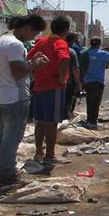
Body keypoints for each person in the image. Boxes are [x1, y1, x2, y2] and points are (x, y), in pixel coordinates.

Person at [0, 15, 48, 189]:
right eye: (34, 32)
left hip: (3, 96)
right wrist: (35, 65)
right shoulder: (15, 44)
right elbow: (17, 72)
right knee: (11, 138)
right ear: (27, 27)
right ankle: (8, 175)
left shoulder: (2, 41)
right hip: (15, 97)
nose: (33, 37)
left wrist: (28, 62)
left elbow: (13, 68)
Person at [29, 16, 71, 164]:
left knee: (40, 121)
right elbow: (64, 59)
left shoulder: (41, 41)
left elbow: (30, 58)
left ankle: (39, 152)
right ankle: (50, 155)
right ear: (66, 30)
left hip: (38, 87)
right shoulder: (60, 43)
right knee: (52, 123)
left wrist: (36, 74)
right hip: (53, 87)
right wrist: (61, 78)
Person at [82, 37, 109, 129]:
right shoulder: (102, 54)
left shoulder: (85, 52)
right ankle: (93, 122)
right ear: (99, 44)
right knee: (95, 103)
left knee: (89, 102)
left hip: (87, 82)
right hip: (97, 82)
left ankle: (90, 121)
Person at [64, 33, 82, 120]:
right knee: (69, 99)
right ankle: (67, 116)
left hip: (55, 81)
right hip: (69, 80)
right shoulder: (73, 50)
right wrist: (78, 82)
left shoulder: (54, 47)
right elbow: (75, 67)